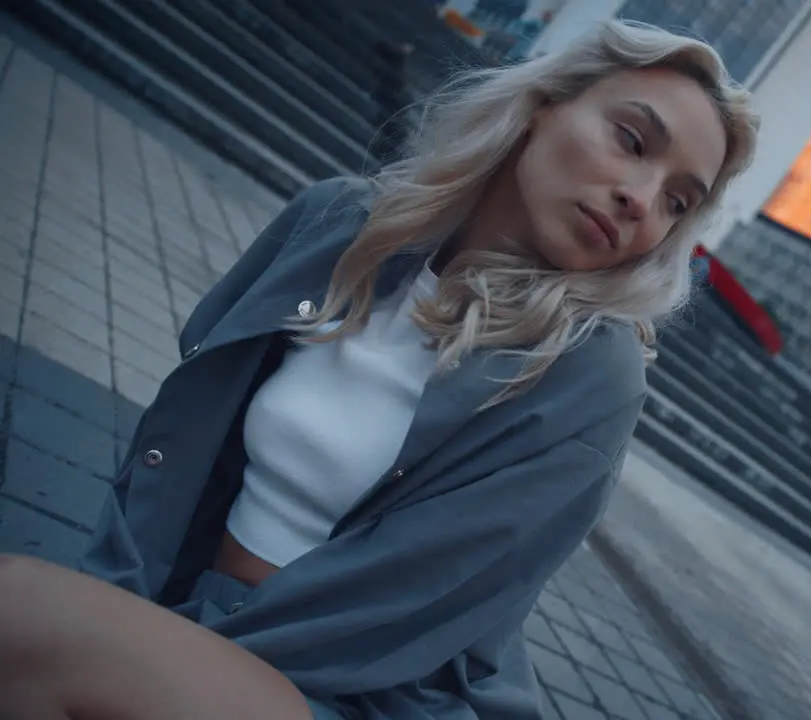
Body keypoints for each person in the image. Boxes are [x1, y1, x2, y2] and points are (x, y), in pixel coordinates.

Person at [0, 21, 758, 720]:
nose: (639, 198)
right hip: (194, 617)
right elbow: (178, 445)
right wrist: (126, 602)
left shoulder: (590, 372)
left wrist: (145, 644)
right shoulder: (337, 223)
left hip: (361, 692)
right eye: (631, 140)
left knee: (25, 611)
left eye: (677, 201)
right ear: (544, 105)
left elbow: (406, 596)